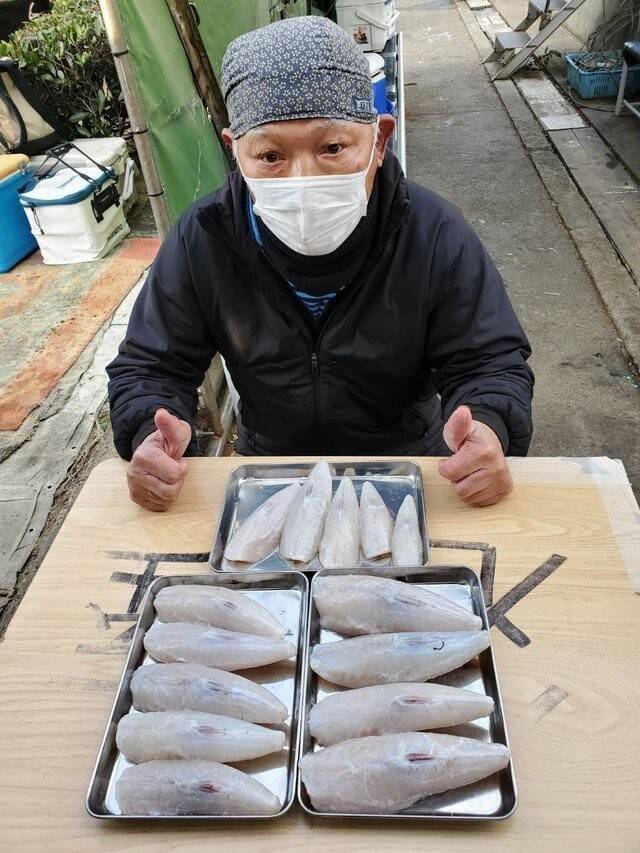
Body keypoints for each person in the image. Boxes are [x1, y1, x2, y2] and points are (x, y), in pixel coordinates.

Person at [107, 16, 534, 513]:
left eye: (332, 148)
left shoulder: (433, 233)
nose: (302, 179)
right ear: (235, 152)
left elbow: (488, 360)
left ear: (378, 142)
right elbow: (151, 365)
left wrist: (488, 426)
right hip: (269, 469)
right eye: (270, 156)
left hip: (409, 463)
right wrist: (147, 430)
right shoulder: (204, 238)